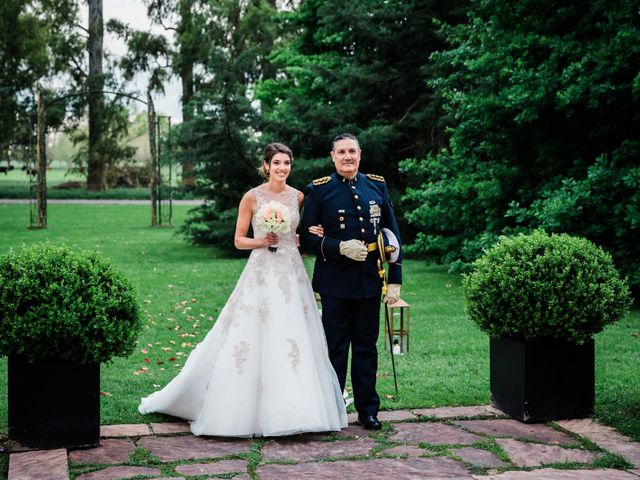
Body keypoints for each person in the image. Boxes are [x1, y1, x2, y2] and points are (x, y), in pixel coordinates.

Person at [139, 143, 347, 437]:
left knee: (293, 334)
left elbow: (303, 233)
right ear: (266, 165)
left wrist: (312, 235)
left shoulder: (299, 196)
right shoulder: (252, 197)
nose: (282, 168)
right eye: (276, 163)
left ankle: (299, 410)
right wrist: (262, 240)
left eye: (286, 163)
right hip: (261, 271)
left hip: (291, 272)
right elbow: (238, 240)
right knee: (251, 334)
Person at [300, 133, 402, 431]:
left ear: (360, 154)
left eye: (352, 151)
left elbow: (392, 235)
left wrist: (395, 280)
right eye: (342, 152)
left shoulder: (376, 186)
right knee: (335, 348)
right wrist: (338, 246)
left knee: (366, 347)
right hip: (335, 281)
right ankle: (332, 407)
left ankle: (368, 409)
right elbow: (306, 237)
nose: (348, 157)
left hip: (371, 279)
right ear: (333, 156)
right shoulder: (319, 190)